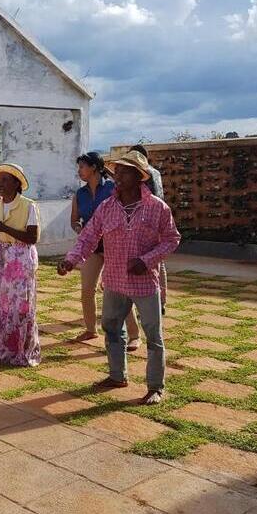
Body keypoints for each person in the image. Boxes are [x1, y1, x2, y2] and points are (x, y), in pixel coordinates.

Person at [57, 150, 180, 405]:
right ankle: (117, 375)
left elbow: (171, 240)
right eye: (118, 171)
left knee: (153, 336)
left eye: (125, 172)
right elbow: (89, 236)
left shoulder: (157, 208)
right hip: (113, 281)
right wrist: (71, 259)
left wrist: (146, 261)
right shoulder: (107, 207)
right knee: (112, 329)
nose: (118, 176)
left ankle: (155, 387)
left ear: (140, 177)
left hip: (144, 282)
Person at [0, 163, 41, 366]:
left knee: (20, 302)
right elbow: (2, 234)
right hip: (2, 257)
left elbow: (32, 237)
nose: (0, 185)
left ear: (16, 183)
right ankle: (0, 346)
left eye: (5, 180)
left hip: (21, 257)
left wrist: (2, 227)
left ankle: (21, 347)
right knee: (0, 301)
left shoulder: (28, 205)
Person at [70, 153, 115, 341]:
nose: (79, 171)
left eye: (82, 167)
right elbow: (74, 221)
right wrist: (79, 228)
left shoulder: (113, 188)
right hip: (91, 246)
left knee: (117, 291)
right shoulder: (80, 194)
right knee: (87, 289)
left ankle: (134, 335)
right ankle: (90, 329)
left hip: (114, 245)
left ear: (94, 167)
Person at [130, 143, 168, 316]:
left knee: (150, 264)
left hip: (147, 220)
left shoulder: (144, 174)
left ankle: (153, 301)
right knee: (158, 263)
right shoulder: (156, 172)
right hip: (159, 217)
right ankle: (161, 301)